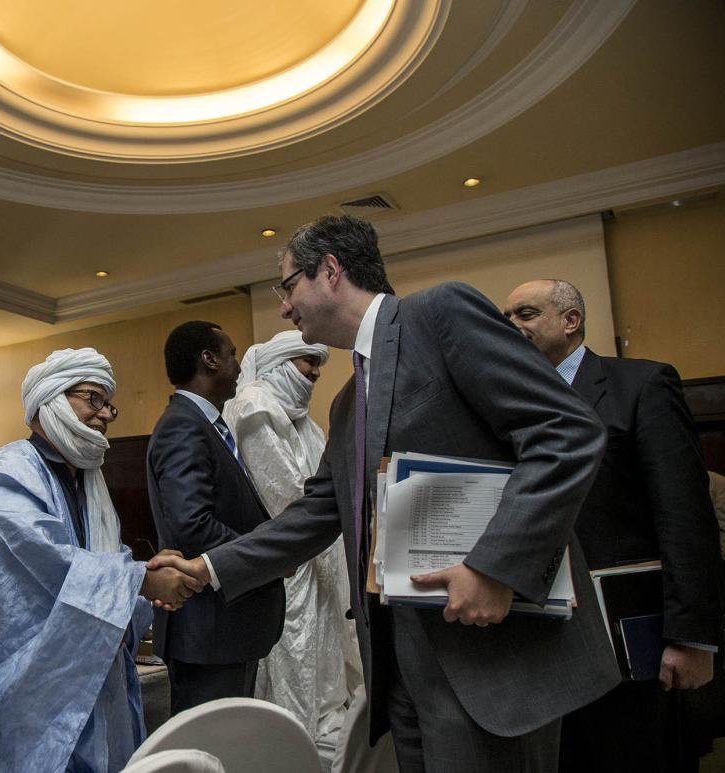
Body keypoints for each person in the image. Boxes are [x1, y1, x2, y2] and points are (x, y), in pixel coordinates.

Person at [152, 216, 621, 773]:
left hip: (489, 656)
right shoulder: (348, 401)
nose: (284, 308)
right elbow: (317, 512)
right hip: (401, 665)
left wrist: (495, 567)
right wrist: (208, 568)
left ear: (330, 271)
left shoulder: (439, 315)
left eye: (288, 286)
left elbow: (566, 432)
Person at [504, 278, 722, 772]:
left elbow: (685, 515)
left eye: (526, 313)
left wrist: (692, 637)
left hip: (632, 637)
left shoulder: (640, 385)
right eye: (506, 318)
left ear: (571, 321)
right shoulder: (508, 406)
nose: (512, 325)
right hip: (544, 643)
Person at [0, 348, 203, 773]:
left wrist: (146, 571)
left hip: (95, 673)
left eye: (109, 405)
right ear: (51, 398)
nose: (104, 414)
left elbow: (104, 556)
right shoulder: (6, 471)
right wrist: (140, 580)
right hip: (34, 680)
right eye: (93, 399)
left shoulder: (87, 478)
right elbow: (47, 560)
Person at [221, 331, 358, 741]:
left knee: (326, 669)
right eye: (308, 362)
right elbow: (287, 497)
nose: (315, 373)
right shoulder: (255, 406)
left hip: (319, 557)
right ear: (280, 363)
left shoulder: (303, 421)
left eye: (319, 364)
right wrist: (327, 516)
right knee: (294, 664)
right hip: (287, 562)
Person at [147, 321, 286, 714]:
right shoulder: (182, 427)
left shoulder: (204, 425)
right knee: (211, 743)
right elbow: (192, 525)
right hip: (209, 630)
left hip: (224, 629)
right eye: (232, 354)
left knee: (230, 740)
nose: (239, 366)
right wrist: (267, 554)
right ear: (208, 359)